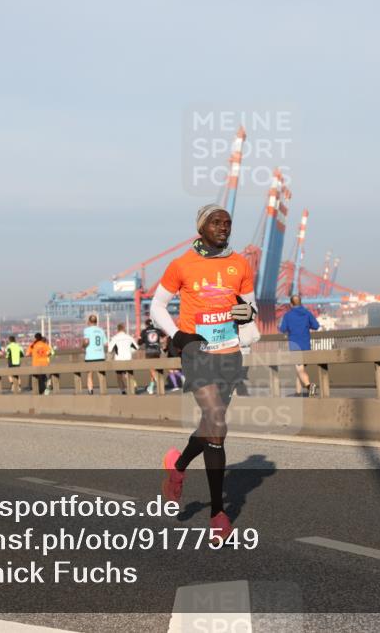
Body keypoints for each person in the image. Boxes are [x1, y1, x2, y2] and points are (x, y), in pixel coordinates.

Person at [152, 204, 260, 544]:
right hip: (197, 354)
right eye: (216, 222)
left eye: (228, 222)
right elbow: (157, 306)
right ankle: (218, 514)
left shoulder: (240, 264)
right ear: (202, 228)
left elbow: (251, 307)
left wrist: (247, 313)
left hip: (229, 354)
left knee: (212, 428)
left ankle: (177, 466)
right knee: (216, 423)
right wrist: (178, 336)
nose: (223, 227)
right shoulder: (181, 264)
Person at [279, 294, 320, 397]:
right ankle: (298, 392)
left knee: (300, 369)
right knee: (300, 369)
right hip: (306, 346)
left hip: (295, 346)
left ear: (291, 304)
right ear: (301, 303)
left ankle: (310, 387)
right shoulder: (307, 313)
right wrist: (306, 325)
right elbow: (316, 326)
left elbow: (282, 329)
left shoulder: (288, 315)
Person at [108, 323, 138, 394]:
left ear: (117, 330)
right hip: (128, 358)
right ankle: (133, 386)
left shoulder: (115, 338)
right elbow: (136, 347)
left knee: (119, 376)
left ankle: (123, 391)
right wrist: (130, 351)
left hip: (119, 360)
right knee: (129, 375)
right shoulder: (129, 337)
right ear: (124, 329)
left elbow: (109, 349)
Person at [82, 315, 107, 395]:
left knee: (89, 375)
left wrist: (83, 346)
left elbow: (86, 341)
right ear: (96, 322)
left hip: (90, 356)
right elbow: (105, 343)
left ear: (89, 322)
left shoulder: (87, 330)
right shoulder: (101, 330)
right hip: (100, 356)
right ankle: (103, 393)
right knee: (101, 376)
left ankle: (90, 392)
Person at [140, 319, 166, 394]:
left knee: (151, 368)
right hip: (157, 351)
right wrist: (162, 344)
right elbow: (164, 336)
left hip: (149, 351)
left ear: (146, 325)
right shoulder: (157, 330)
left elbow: (140, 341)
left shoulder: (144, 331)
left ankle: (158, 381)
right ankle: (151, 387)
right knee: (155, 368)